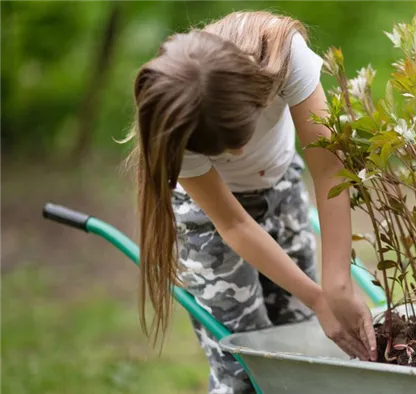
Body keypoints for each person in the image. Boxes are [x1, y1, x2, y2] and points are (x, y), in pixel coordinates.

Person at [122, 10, 377, 393]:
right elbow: (234, 225)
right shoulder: (175, 126)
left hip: (281, 188)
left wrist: (335, 286)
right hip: (208, 220)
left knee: (300, 343)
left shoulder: (283, 54)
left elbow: (329, 170)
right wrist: (315, 296)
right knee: (244, 364)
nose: (238, 153)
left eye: (240, 135)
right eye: (221, 150)